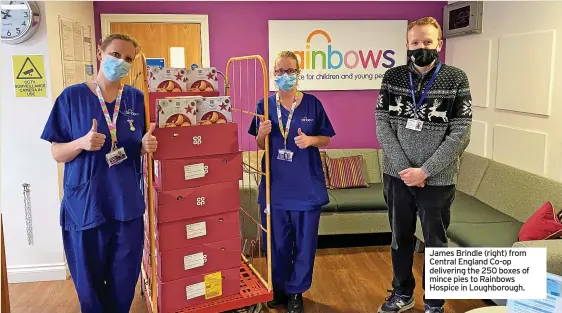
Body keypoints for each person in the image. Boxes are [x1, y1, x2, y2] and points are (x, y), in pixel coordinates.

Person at [40, 33, 157, 313]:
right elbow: (56, 152)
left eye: (128, 59)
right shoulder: (72, 97)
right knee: (89, 284)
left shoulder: (135, 99)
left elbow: (134, 146)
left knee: (123, 280)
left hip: (125, 205)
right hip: (86, 206)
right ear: (100, 54)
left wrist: (144, 146)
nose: (121, 62)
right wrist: (81, 143)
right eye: (116, 55)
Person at [375, 17, 472, 313]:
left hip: (438, 180)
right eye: (415, 42)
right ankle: (403, 294)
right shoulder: (392, 77)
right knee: (400, 238)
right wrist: (407, 170)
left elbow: (461, 133)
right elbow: (382, 125)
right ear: (407, 45)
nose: (421, 47)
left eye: (428, 42)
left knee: (436, 243)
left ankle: (434, 303)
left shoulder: (456, 78)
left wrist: (425, 171)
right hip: (397, 176)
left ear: (439, 44)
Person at [248, 51, 336, 313]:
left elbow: (327, 138)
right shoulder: (264, 105)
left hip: (306, 188)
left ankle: (297, 291)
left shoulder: (312, 104)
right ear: (273, 74)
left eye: (290, 71)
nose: (284, 76)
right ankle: (281, 289)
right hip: (275, 189)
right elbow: (257, 143)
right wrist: (261, 134)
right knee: (278, 244)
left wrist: (310, 141)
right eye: (279, 71)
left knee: (305, 243)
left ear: (299, 72)